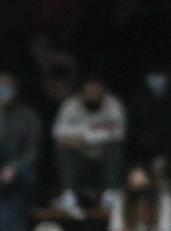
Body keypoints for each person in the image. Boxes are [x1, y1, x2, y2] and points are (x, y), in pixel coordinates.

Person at [0, 71, 43, 231]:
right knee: (2, 205)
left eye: (7, 86)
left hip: (22, 174)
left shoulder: (28, 115)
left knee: (14, 205)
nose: (3, 91)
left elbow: (33, 151)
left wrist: (14, 168)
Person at [52, 76, 128, 213]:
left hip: (104, 163)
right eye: (89, 92)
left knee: (116, 146)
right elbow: (58, 136)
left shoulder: (112, 104)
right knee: (63, 149)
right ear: (82, 93)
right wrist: (90, 136)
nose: (93, 95)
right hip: (80, 163)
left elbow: (119, 133)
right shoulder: (71, 105)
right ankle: (69, 196)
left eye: (97, 91)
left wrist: (88, 137)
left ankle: (110, 195)